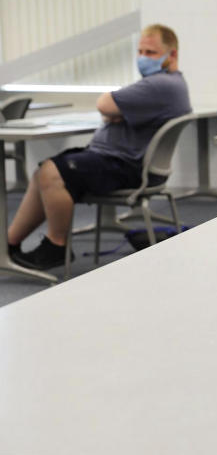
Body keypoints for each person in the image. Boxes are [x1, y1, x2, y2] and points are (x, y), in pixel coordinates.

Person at [8, 24, 192, 270]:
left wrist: (114, 111)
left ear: (172, 55)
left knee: (52, 173)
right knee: (41, 174)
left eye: (150, 53)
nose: (142, 58)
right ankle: (9, 244)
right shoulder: (169, 85)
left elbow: (105, 104)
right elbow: (111, 111)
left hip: (125, 166)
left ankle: (56, 246)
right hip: (121, 162)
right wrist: (115, 112)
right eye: (140, 51)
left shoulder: (160, 85)